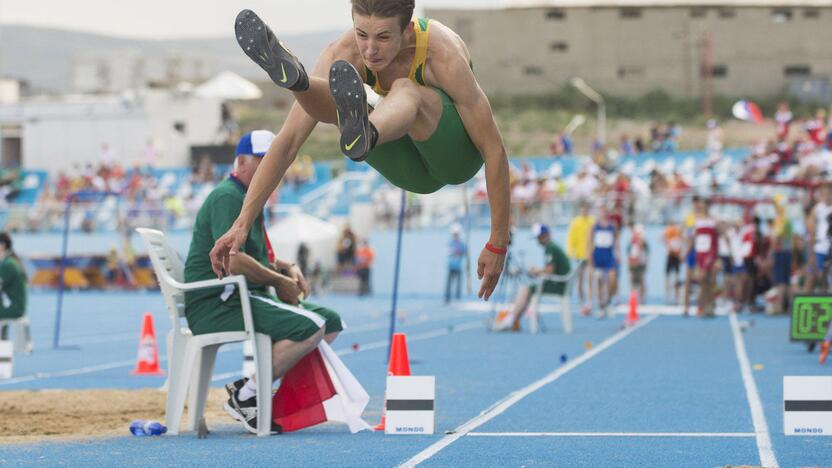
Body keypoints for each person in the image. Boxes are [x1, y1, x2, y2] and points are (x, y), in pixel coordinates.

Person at [212, 2, 510, 301]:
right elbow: (288, 141)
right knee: (349, 108)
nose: (370, 50)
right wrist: (241, 224)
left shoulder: (441, 54)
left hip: (455, 160)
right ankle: (301, 84)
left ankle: (365, 127)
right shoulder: (343, 53)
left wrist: (497, 241)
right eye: (362, 34)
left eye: (383, 37)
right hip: (406, 167)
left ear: (407, 31)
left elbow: (494, 148)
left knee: (406, 89)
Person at [184, 131, 345, 434]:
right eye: (264, 161)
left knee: (331, 322)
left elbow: (254, 257)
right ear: (241, 161)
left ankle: (254, 390)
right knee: (310, 325)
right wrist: (279, 281)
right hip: (220, 300)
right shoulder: (228, 197)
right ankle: (247, 396)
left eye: (277, 161)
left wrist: (286, 267)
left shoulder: (247, 198)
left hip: (238, 295)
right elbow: (233, 261)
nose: (273, 168)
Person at [493, 224, 570, 331]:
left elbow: (549, 271)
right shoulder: (553, 247)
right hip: (560, 283)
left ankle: (509, 320)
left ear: (545, 236)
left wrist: (536, 271)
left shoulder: (550, 248)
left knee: (525, 289)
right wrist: (537, 271)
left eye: (539, 238)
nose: (538, 241)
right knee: (528, 289)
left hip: (558, 285)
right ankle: (513, 320)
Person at [0, 232, 30, 351]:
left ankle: (3, 345)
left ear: (2, 246)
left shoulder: (7, 265)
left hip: (14, 308)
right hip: (13, 306)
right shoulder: (10, 261)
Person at [588, 205, 619, 318]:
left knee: (612, 279)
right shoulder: (595, 226)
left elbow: (616, 241)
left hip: (609, 255)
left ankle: (608, 301)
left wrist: (618, 255)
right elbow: (590, 243)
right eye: (601, 212)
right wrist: (590, 259)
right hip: (598, 255)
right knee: (600, 282)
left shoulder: (612, 226)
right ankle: (601, 306)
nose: (603, 214)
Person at [565, 202, 594, 315]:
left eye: (586, 209)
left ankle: (589, 302)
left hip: (590, 256)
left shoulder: (592, 221)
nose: (584, 211)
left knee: (590, 279)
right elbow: (571, 238)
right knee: (580, 280)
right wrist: (572, 252)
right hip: (579, 256)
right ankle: (582, 302)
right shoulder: (576, 222)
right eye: (582, 209)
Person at [692, 197, 719, 317]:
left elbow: (716, 239)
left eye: (705, 205)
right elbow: (695, 238)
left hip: (710, 253)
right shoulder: (697, 220)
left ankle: (710, 306)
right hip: (700, 252)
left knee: (709, 280)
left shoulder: (713, 220)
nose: (702, 207)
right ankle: (704, 306)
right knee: (702, 281)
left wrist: (716, 257)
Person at [445, 224, 467, 304]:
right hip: (451, 266)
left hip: (458, 266)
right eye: (454, 234)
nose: (455, 236)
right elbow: (448, 251)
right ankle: (447, 298)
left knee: (458, 283)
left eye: (456, 234)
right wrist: (454, 252)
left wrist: (460, 252)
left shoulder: (461, 243)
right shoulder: (450, 243)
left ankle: (457, 297)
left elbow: (464, 251)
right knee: (449, 283)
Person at [627, 224, 649, 301]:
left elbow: (646, 254)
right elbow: (629, 254)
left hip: (641, 263)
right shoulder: (632, 243)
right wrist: (630, 264)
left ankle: (642, 298)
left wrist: (646, 264)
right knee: (632, 280)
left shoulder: (644, 243)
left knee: (642, 280)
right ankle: (633, 298)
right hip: (633, 263)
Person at [663, 221, 683, 303]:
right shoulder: (669, 233)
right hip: (671, 256)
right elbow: (663, 239)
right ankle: (667, 297)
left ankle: (676, 296)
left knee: (676, 277)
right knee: (668, 276)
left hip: (676, 257)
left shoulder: (678, 234)